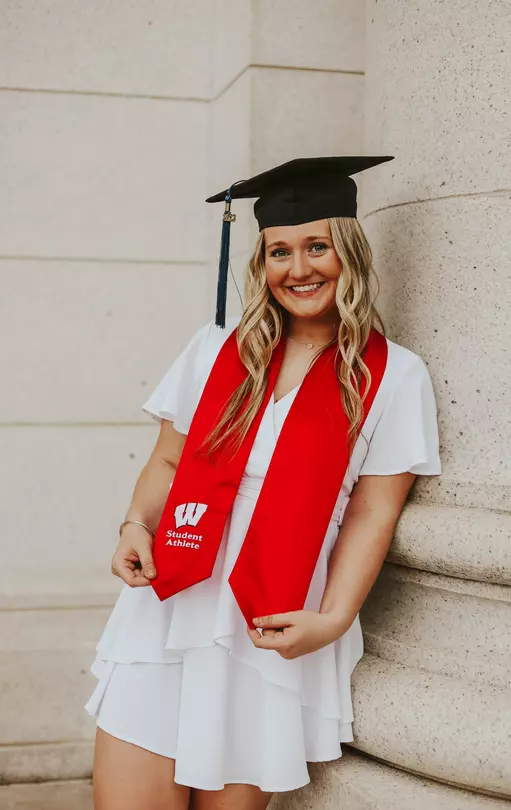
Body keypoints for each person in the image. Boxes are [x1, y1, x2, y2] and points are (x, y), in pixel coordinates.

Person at [85, 156, 442, 810]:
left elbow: (372, 513)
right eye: (280, 251)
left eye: (317, 246)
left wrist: (332, 620)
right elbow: (168, 462)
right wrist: (135, 525)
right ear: (262, 263)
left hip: (271, 620)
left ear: (350, 252)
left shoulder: (392, 375)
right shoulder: (215, 350)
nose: (298, 268)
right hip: (172, 604)